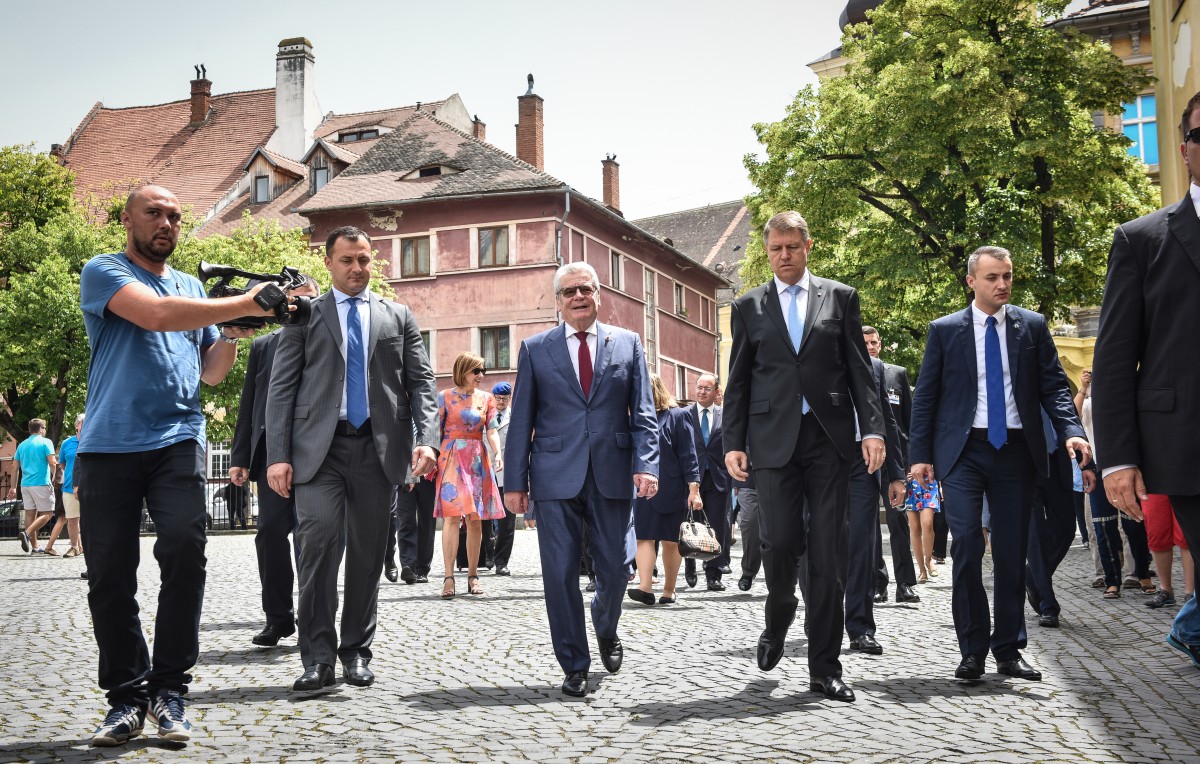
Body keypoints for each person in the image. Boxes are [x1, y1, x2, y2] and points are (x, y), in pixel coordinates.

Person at [75, 185, 273, 746]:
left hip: (177, 438)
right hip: (108, 444)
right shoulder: (104, 271)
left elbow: (210, 371)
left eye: (176, 217)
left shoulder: (192, 287)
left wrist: (233, 333)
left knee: (185, 552)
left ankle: (170, 692)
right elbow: (157, 316)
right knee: (110, 575)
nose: (166, 223)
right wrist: (244, 301)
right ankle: (126, 698)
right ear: (127, 219)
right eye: (155, 213)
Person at [266, 225, 438, 694]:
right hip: (317, 452)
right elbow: (281, 387)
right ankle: (317, 658)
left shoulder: (397, 316)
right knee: (318, 548)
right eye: (347, 260)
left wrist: (428, 440)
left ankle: (356, 651)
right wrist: (278, 454)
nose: (357, 268)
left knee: (366, 556)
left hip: (378, 450)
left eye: (364, 259)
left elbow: (422, 383)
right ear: (329, 263)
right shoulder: (304, 315)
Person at [723, 210, 885, 703]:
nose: (784, 256)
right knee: (780, 542)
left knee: (829, 554)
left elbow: (860, 371)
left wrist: (873, 429)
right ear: (767, 251)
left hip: (829, 440)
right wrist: (733, 441)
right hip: (772, 442)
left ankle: (825, 668)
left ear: (807, 246)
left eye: (792, 247)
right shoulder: (748, 306)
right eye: (776, 249)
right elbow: (740, 380)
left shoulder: (840, 297)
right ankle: (778, 615)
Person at [908, 245, 1089, 683]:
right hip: (963, 451)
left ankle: (1008, 649)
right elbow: (926, 396)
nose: (1002, 284)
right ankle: (972, 651)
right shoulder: (946, 330)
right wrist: (919, 456)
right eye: (992, 277)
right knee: (967, 543)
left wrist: (1072, 430)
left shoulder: (1031, 326)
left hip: (1016, 451)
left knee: (1011, 551)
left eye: (1007, 276)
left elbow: (1054, 387)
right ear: (971, 281)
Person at [504, 261, 659, 698]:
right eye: (569, 291)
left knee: (614, 567)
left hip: (611, 471)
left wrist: (647, 465)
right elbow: (521, 421)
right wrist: (515, 482)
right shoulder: (535, 349)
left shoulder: (627, 344)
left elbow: (644, 414)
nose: (578, 297)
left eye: (585, 289)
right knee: (559, 572)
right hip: (553, 475)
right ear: (558, 301)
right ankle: (574, 663)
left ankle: (606, 626)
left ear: (598, 294)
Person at [1092, 91, 1200, 669]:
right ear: (1185, 149)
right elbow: (1113, 359)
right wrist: (1117, 460)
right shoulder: (1144, 239)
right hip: (1188, 445)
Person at [229, 274, 320, 647]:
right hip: (271, 456)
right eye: (292, 299)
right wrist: (239, 456)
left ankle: (314, 618)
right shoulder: (264, 346)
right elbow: (250, 403)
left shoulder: (329, 340)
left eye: (307, 299)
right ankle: (278, 618)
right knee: (269, 533)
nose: (298, 306)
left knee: (310, 537)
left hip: (317, 452)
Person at [843, 356, 907, 657]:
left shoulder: (875, 367)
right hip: (818, 459)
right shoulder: (813, 349)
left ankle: (860, 628)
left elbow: (887, 420)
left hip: (864, 463)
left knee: (862, 546)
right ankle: (819, 616)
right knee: (814, 541)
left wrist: (895, 474)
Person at [434, 351, 506, 598]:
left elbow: (492, 430)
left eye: (483, 371)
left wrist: (497, 453)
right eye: (476, 371)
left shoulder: (486, 399)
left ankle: (473, 575)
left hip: (476, 459)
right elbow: (435, 431)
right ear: (462, 370)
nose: (481, 375)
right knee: (452, 518)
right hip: (451, 458)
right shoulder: (444, 397)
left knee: (476, 519)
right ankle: (448, 577)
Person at [629, 374, 703, 606]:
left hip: (671, 487)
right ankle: (645, 587)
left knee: (671, 540)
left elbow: (689, 455)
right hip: (640, 488)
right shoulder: (634, 419)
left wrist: (694, 488)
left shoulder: (678, 416)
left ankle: (669, 590)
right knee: (643, 536)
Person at [863, 326, 921, 604]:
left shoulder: (895, 373)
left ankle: (906, 584)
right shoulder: (855, 373)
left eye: (874, 342)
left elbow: (908, 422)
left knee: (899, 522)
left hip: (895, 461)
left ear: (880, 344)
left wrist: (911, 461)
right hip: (865, 459)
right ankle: (878, 582)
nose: (870, 347)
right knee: (870, 522)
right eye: (865, 343)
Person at [1025, 412, 1097, 628]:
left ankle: (1032, 575)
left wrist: (1087, 465)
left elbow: (1069, 417)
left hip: (1058, 461)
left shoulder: (1055, 379)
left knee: (1066, 531)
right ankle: (1048, 604)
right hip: (1023, 464)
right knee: (1035, 535)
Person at [684, 374, 731, 591]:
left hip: (717, 478)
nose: (702, 392)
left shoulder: (725, 415)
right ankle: (690, 567)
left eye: (707, 388)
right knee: (689, 523)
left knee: (716, 526)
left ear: (715, 392)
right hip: (689, 477)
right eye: (699, 387)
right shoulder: (684, 415)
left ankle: (714, 574)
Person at [10, 418, 58, 554]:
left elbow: (14, 467)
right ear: (41, 429)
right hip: (41, 483)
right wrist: (55, 478)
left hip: (25, 485)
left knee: (30, 514)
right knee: (48, 514)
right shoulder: (46, 442)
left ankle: (35, 547)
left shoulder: (22, 445)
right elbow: (53, 463)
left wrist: (13, 487)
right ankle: (27, 533)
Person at [1142, 495, 1195, 609]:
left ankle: (1190, 593)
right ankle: (1166, 591)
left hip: (1186, 481)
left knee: (1186, 534)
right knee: (1157, 533)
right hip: (1154, 482)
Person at [487, 381, 516, 575]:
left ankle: (501, 561)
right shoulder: (485, 415)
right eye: (498, 399)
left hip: (508, 473)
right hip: (485, 471)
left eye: (505, 399)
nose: (501, 402)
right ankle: (486, 556)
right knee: (485, 518)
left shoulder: (515, 417)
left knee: (507, 521)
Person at [56, 413, 85, 558]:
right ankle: (74, 547)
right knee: (72, 519)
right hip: (69, 487)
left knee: (90, 520)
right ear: (76, 426)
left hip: (90, 487)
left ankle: (87, 546)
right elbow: (62, 464)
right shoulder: (67, 443)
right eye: (82, 423)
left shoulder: (94, 441)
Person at [904, 474, 941, 583]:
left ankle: (928, 559)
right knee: (915, 528)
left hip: (929, 479)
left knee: (927, 523)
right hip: (909, 482)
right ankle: (922, 570)